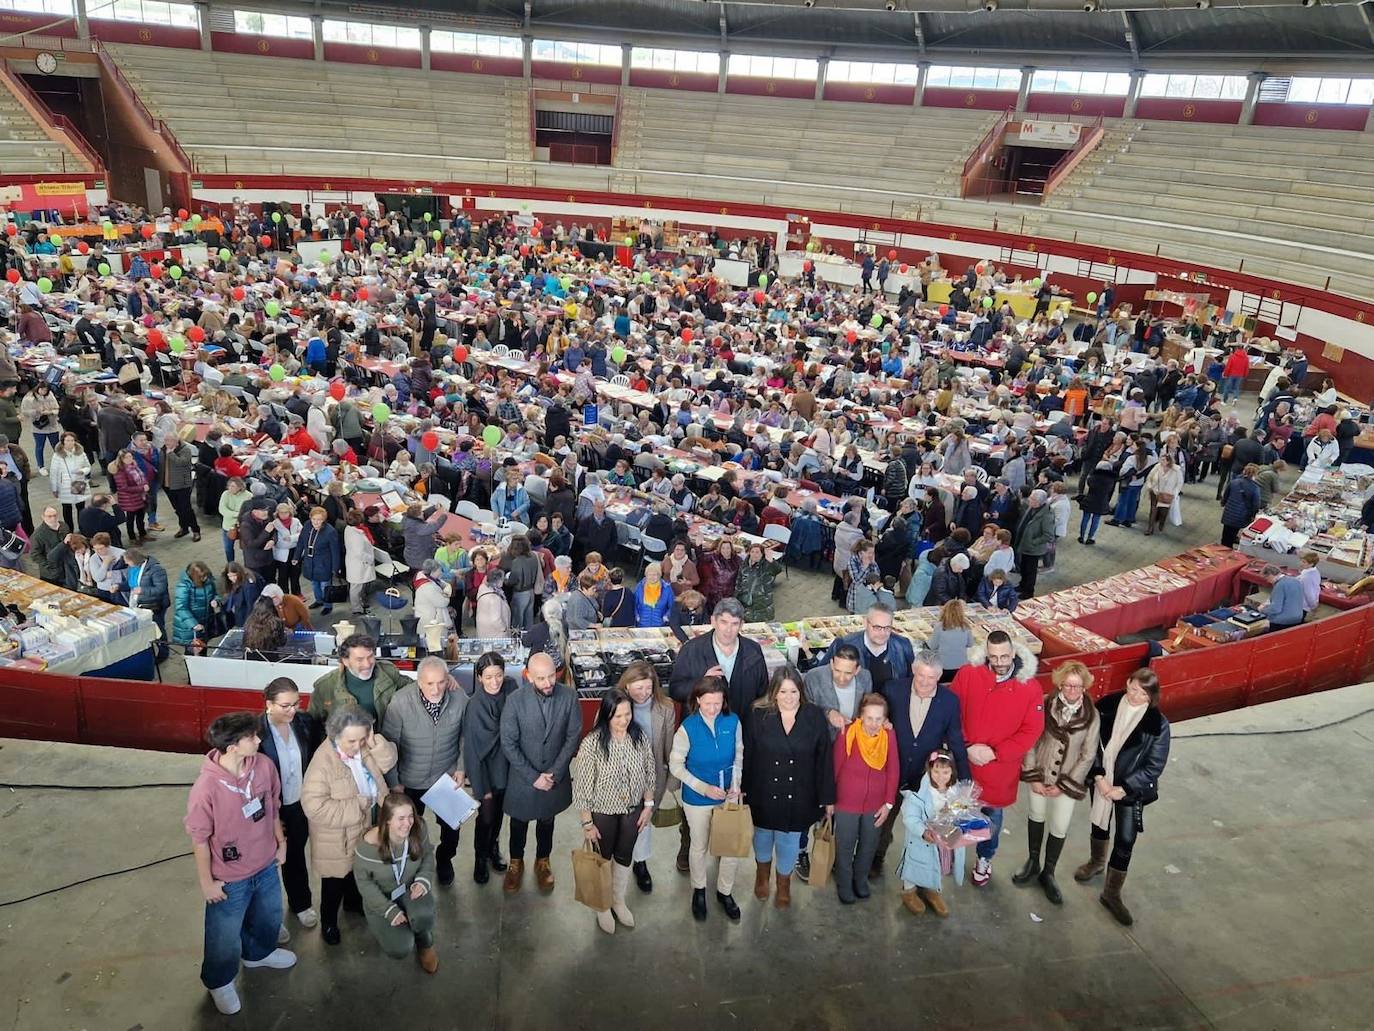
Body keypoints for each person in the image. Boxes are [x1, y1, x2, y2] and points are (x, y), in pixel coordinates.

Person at [185, 713, 295, 1015]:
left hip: (266, 863)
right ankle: (219, 981)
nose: (259, 741)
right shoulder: (205, 789)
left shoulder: (263, 766)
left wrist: (280, 844)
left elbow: (272, 806)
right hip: (230, 877)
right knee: (224, 934)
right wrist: (207, 883)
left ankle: (258, 954)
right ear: (232, 746)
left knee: (269, 914)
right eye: (252, 737)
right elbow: (199, 840)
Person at [1073, 669, 1171, 927]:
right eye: (1133, 689)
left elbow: (1154, 765)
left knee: (1126, 838)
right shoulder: (1106, 706)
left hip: (1129, 790)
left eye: (1143, 693)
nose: (1136, 696)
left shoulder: (1157, 724)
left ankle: (1112, 893)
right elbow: (1089, 743)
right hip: (1102, 780)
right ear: (1127, 682)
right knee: (1099, 823)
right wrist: (1098, 776)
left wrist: (1124, 788)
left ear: (1151, 696)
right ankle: (1096, 862)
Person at [950, 631, 1045, 887]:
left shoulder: (1030, 688)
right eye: (993, 657)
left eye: (1004, 656)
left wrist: (996, 752)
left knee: (992, 817)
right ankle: (954, 852)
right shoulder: (968, 674)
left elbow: (1031, 730)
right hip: (966, 761)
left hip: (999, 768)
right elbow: (952, 711)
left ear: (1013, 652)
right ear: (986, 653)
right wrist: (966, 745)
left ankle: (984, 857)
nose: (1000, 661)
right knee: (958, 811)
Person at [301, 705, 397, 945]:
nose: (358, 745)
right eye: (352, 740)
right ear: (335, 736)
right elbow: (314, 806)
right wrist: (358, 806)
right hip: (337, 837)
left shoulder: (363, 747)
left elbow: (387, 762)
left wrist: (374, 742)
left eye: (362, 738)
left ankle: (354, 904)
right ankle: (329, 923)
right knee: (334, 882)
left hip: (365, 826)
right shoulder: (322, 761)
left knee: (358, 872)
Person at [744, 666, 834, 908]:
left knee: (789, 840)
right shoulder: (757, 713)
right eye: (783, 691)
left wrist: (827, 798)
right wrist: (741, 788)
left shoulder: (814, 716)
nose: (788, 697)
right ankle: (762, 877)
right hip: (763, 788)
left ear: (801, 691)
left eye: (793, 691)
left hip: (801, 791)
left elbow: (824, 758)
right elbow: (748, 754)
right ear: (773, 692)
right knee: (762, 837)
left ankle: (783, 885)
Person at [571, 687, 658, 933]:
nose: (624, 720)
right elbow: (583, 787)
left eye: (627, 714)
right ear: (606, 715)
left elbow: (650, 771)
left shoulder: (638, 737)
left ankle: (618, 900)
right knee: (603, 859)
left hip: (632, 809)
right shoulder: (592, 744)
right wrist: (587, 823)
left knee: (624, 855)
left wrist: (648, 806)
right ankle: (602, 905)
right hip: (603, 811)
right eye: (617, 716)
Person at [1012, 661, 1100, 906]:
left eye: (1078, 686)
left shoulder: (1092, 715)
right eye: (1069, 685)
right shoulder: (1045, 703)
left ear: (1084, 687)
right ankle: (1032, 862)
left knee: (1059, 826)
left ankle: (1048, 873)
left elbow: (1088, 754)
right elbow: (1030, 738)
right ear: (1060, 683)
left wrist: (1065, 784)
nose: (1073, 691)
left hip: (1067, 781)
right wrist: (1032, 775)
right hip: (1040, 774)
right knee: (1036, 815)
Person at [499, 651, 581, 895]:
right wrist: (534, 777)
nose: (548, 683)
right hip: (524, 778)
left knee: (547, 820)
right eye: (541, 678)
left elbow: (572, 736)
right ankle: (516, 862)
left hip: (554, 776)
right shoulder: (514, 701)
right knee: (519, 822)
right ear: (527, 676)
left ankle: (542, 861)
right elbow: (509, 743)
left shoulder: (569, 696)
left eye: (551, 677)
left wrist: (553, 773)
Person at [382, 656, 467, 886]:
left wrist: (461, 767)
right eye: (429, 683)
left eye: (441, 682)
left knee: (453, 827)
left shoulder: (460, 699)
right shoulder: (400, 702)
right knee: (408, 830)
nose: (436, 688)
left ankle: (444, 859)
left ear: (448, 679)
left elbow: (465, 737)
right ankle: (413, 866)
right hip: (410, 780)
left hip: (444, 776)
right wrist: (394, 782)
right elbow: (389, 745)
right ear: (418, 682)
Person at [668, 676, 745, 922]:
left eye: (718, 703)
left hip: (728, 797)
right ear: (698, 700)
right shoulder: (687, 728)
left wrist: (736, 784)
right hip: (698, 799)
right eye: (707, 703)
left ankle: (725, 891)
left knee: (730, 848)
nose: (713, 709)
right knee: (698, 846)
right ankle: (699, 890)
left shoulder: (733, 722)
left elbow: (739, 755)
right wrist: (703, 788)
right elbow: (676, 766)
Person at [257, 678, 324, 935]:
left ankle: (301, 903)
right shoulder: (255, 733)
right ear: (268, 705)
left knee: (295, 855)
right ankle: (271, 918)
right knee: (266, 865)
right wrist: (269, 815)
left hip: (299, 804)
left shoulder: (304, 724)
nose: (292, 711)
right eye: (285, 706)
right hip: (270, 809)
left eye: (296, 703)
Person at [354, 791, 439, 972]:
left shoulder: (419, 828)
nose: (408, 823)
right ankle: (398, 930)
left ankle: (425, 942)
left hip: (410, 889)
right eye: (401, 818)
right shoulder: (366, 848)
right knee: (399, 948)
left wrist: (423, 881)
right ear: (387, 820)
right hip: (383, 900)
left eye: (410, 816)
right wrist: (388, 910)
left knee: (424, 918)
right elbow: (365, 885)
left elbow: (427, 855)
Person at [831, 692, 899, 905]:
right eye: (869, 718)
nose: (873, 724)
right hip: (846, 803)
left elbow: (893, 770)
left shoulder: (888, 737)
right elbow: (834, 768)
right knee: (845, 845)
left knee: (869, 844)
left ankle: (860, 880)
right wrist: (830, 801)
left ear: (885, 719)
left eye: (879, 719)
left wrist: (888, 803)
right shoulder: (847, 733)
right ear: (861, 716)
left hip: (875, 805)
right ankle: (844, 882)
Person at [616, 661, 676, 892]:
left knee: (643, 822)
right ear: (627, 686)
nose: (643, 693)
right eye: (637, 687)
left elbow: (669, 747)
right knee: (620, 822)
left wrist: (672, 781)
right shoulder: (615, 704)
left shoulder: (666, 707)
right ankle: (619, 862)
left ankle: (640, 863)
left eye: (648, 687)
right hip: (620, 778)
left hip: (652, 779)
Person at [464, 651, 518, 884]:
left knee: (499, 815)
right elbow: (472, 751)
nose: (495, 681)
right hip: (485, 769)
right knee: (485, 816)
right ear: (479, 678)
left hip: (507, 768)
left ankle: (493, 847)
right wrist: (480, 785)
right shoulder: (475, 706)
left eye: (498, 675)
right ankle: (480, 857)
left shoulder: (512, 688)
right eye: (488, 677)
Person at [667, 597, 769, 715]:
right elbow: (675, 691)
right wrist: (701, 683)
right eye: (724, 622)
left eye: (734, 624)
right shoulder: (691, 649)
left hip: (742, 727)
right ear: (713, 621)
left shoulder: (753, 651)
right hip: (702, 728)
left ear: (741, 625)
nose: (728, 630)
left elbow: (763, 695)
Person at [896, 750, 962, 918]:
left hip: (942, 842)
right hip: (921, 840)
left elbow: (960, 813)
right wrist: (923, 831)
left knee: (937, 865)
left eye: (946, 772)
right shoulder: (920, 790)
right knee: (915, 865)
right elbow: (910, 816)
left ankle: (932, 890)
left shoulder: (956, 790)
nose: (941, 776)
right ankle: (909, 891)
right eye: (936, 771)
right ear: (929, 770)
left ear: (952, 772)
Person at [310, 633, 411, 725]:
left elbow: (414, 688)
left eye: (370, 657)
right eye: (360, 659)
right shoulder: (325, 686)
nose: (367, 664)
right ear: (345, 661)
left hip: (384, 740)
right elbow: (313, 723)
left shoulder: (388, 672)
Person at [823, 604, 915, 696]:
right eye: (877, 627)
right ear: (865, 623)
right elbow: (820, 677)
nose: (882, 633)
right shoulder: (843, 644)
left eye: (887, 628)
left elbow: (911, 680)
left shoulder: (903, 646)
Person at [803, 642, 873, 739]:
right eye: (837, 671)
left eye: (848, 673)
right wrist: (828, 713)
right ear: (831, 664)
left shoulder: (865, 678)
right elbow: (805, 710)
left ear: (857, 670)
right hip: (821, 740)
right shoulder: (813, 677)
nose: (841, 678)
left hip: (852, 740)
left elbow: (868, 706)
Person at [123, 547, 170, 660]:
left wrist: (143, 590)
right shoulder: (132, 568)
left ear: (134, 560)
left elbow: (161, 588)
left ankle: (164, 652)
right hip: (139, 602)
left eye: (127, 561)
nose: (126, 563)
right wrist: (119, 586)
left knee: (158, 629)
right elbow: (131, 584)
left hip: (154, 604)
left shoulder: (156, 569)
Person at [295, 506, 341, 614]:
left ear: (324, 520)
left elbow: (335, 551)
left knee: (325, 585)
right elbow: (301, 542)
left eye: (319, 519)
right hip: (310, 562)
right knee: (314, 584)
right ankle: (319, 600)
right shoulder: (307, 525)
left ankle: (327, 605)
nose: (316, 522)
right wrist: (296, 557)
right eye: (314, 519)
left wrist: (335, 568)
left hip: (324, 563)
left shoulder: (330, 531)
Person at [1012, 489, 1056, 599]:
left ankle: (1028, 591)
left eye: (1032, 498)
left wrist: (1033, 542)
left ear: (1038, 502)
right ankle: (1022, 585)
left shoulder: (1046, 515)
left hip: (1033, 549)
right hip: (1024, 544)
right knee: (1023, 567)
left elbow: (1048, 535)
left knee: (1030, 571)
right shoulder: (1032, 508)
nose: (1029, 500)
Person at [49, 432, 92, 530]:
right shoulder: (57, 455)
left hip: (79, 482)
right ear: (63, 442)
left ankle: (83, 528)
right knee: (67, 508)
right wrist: (54, 488)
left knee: (81, 507)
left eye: (72, 440)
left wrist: (82, 471)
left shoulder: (80, 452)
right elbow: (53, 473)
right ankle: (69, 530)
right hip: (64, 485)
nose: (70, 443)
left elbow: (87, 466)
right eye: (67, 440)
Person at [173, 560, 220, 647]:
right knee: (193, 652)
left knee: (203, 647)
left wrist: (216, 600)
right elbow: (181, 608)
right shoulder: (183, 587)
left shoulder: (208, 582)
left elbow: (215, 594)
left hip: (205, 623)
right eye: (202, 577)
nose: (205, 578)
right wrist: (193, 624)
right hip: (189, 628)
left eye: (206, 575)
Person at [926, 599, 974, 683]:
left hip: (943, 668)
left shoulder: (939, 627)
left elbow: (932, 646)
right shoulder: (966, 627)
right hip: (961, 668)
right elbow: (970, 644)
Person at [736, 541, 783, 622]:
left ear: (762, 554)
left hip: (761, 604)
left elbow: (777, 570)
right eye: (752, 552)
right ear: (749, 553)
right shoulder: (744, 565)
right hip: (745, 603)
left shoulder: (766, 565)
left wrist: (771, 561)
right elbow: (738, 582)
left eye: (757, 552)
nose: (755, 554)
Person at [1220, 463, 1261, 549]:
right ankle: (1227, 551)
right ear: (1255, 475)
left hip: (1229, 512)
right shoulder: (1255, 488)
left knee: (1225, 534)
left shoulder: (1234, 482)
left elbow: (1225, 495)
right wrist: (1253, 515)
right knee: (1233, 533)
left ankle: (1222, 548)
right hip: (1241, 515)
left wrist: (1223, 503)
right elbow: (1256, 504)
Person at [343, 510, 376, 615]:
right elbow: (359, 553)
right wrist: (370, 559)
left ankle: (359, 604)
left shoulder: (350, 529)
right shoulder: (356, 535)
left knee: (357, 586)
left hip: (356, 563)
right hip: (359, 564)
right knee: (356, 588)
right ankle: (356, 608)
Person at [1143, 453, 1183, 537]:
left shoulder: (1176, 470)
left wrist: (1174, 493)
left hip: (1167, 494)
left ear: (1168, 461)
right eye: (1161, 459)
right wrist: (1150, 487)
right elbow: (1149, 477)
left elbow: (1179, 483)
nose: (1161, 461)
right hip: (1155, 492)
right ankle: (1150, 528)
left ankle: (1161, 523)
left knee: (1163, 512)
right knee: (1153, 510)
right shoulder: (1157, 467)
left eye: (1163, 460)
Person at [1077, 460, 1116, 545]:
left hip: (1090, 499)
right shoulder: (1110, 480)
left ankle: (1081, 536)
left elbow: (1089, 483)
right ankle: (1090, 538)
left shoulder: (1093, 477)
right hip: (1101, 502)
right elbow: (1109, 490)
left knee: (1085, 518)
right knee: (1096, 520)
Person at [27, 505, 67, 584]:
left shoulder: (63, 526)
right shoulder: (38, 535)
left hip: (66, 568)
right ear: (43, 517)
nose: (53, 518)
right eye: (49, 516)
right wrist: (50, 565)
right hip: (51, 574)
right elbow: (34, 555)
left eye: (55, 515)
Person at [1259, 567, 1306, 631]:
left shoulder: (1279, 585)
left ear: (1270, 575)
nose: (1267, 581)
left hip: (1282, 622)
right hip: (1297, 618)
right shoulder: (1295, 580)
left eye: (1266, 578)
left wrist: (1263, 610)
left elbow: (1275, 609)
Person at [474, 566, 513, 637]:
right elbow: (495, 619)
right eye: (502, 578)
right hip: (495, 634)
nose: (503, 580)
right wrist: (504, 628)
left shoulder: (483, 588)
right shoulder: (494, 598)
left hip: (483, 630)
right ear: (498, 580)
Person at [633, 562, 675, 627]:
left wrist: (666, 617)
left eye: (655, 575)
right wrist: (637, 616)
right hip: (641, 625)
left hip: (659, 625)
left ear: (659, 575)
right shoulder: (639, 587)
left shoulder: (667, 589)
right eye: (649, 574)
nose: (652, 577)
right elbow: (633, 604)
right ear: (646, 575)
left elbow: (673, 606)